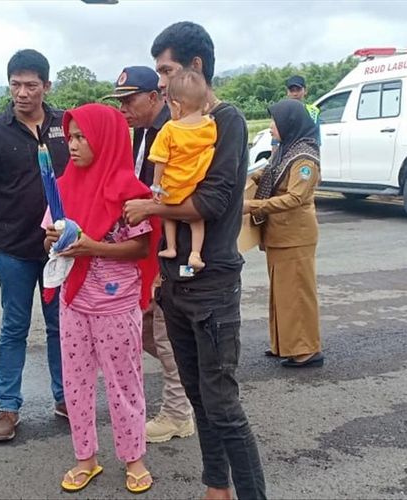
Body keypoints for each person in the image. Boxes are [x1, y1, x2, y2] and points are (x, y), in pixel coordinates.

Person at [124, 22, 267, 500]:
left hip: (212, 287)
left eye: (165, 70)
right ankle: (215, 487)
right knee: (201, 400)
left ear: (195, 67)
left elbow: (213, 202)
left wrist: (151, 208)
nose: (160, 82)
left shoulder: (225, 122)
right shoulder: (171, 127)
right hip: (175, 284)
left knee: (223, 406)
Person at [45, 103, 156, 494]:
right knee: (75, 384)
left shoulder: (128, 190)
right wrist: (55, 240)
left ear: (105, 139)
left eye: (81, 137)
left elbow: (141, 248)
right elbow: (49, 232)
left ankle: (134, 458)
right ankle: (86, 458)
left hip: (116, 304)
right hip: (74, 302)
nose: (72, 145)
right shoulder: (62, 185)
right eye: (70, 137)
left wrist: (93, 247)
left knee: (124, 383)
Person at [0, 49, 69, 442]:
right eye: (15, 84)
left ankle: (66, 397)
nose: (22, 93)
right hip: (14, 250)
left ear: (46, 86)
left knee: (62, 326)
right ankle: (8, 406)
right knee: (14, 328)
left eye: (31, 85)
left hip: (62, 250)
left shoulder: (64, 125)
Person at [106, 66, 195, 444]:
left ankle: (178, 412)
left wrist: (160, 261)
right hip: (148, 245)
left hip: (173, 246)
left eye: (130, 99)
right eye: (120, 101)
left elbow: (172, 195)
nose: (123, 107)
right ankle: (195, 382)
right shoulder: (142, 131)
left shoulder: (172, 131)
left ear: (154, 97)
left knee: (163, 331)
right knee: (146, 331)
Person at [244, 99, 323, 368]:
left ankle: (306, 351)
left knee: (298, 295)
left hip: (295, 236)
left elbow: (294, 198)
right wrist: (248, 179)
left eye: (275, 121)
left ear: (290, 123)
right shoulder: (285, 151)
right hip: (279, 235)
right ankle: (285, 345)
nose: (271, 126)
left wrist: (251, 205)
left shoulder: (305, 158)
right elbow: (268, 173)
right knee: (282, 294)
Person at [148, 69, 217, 272]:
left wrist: (156, 186)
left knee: (167, 214)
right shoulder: (209, 125)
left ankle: (171, 247)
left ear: (176, 105)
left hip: (173, 186)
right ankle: (196, 253)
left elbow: (160, 160)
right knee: (197, 220)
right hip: (195, 185)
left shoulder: (169, 129)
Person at [285, 75, 320, 145]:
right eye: (292, 90)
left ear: (305, 91)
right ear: (287, 92)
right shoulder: (282, 111)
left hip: (307, 150)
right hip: (288, 152)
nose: (295, 94)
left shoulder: (313, 111)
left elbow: (316, 137)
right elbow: (275, 140)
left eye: (298, 90)